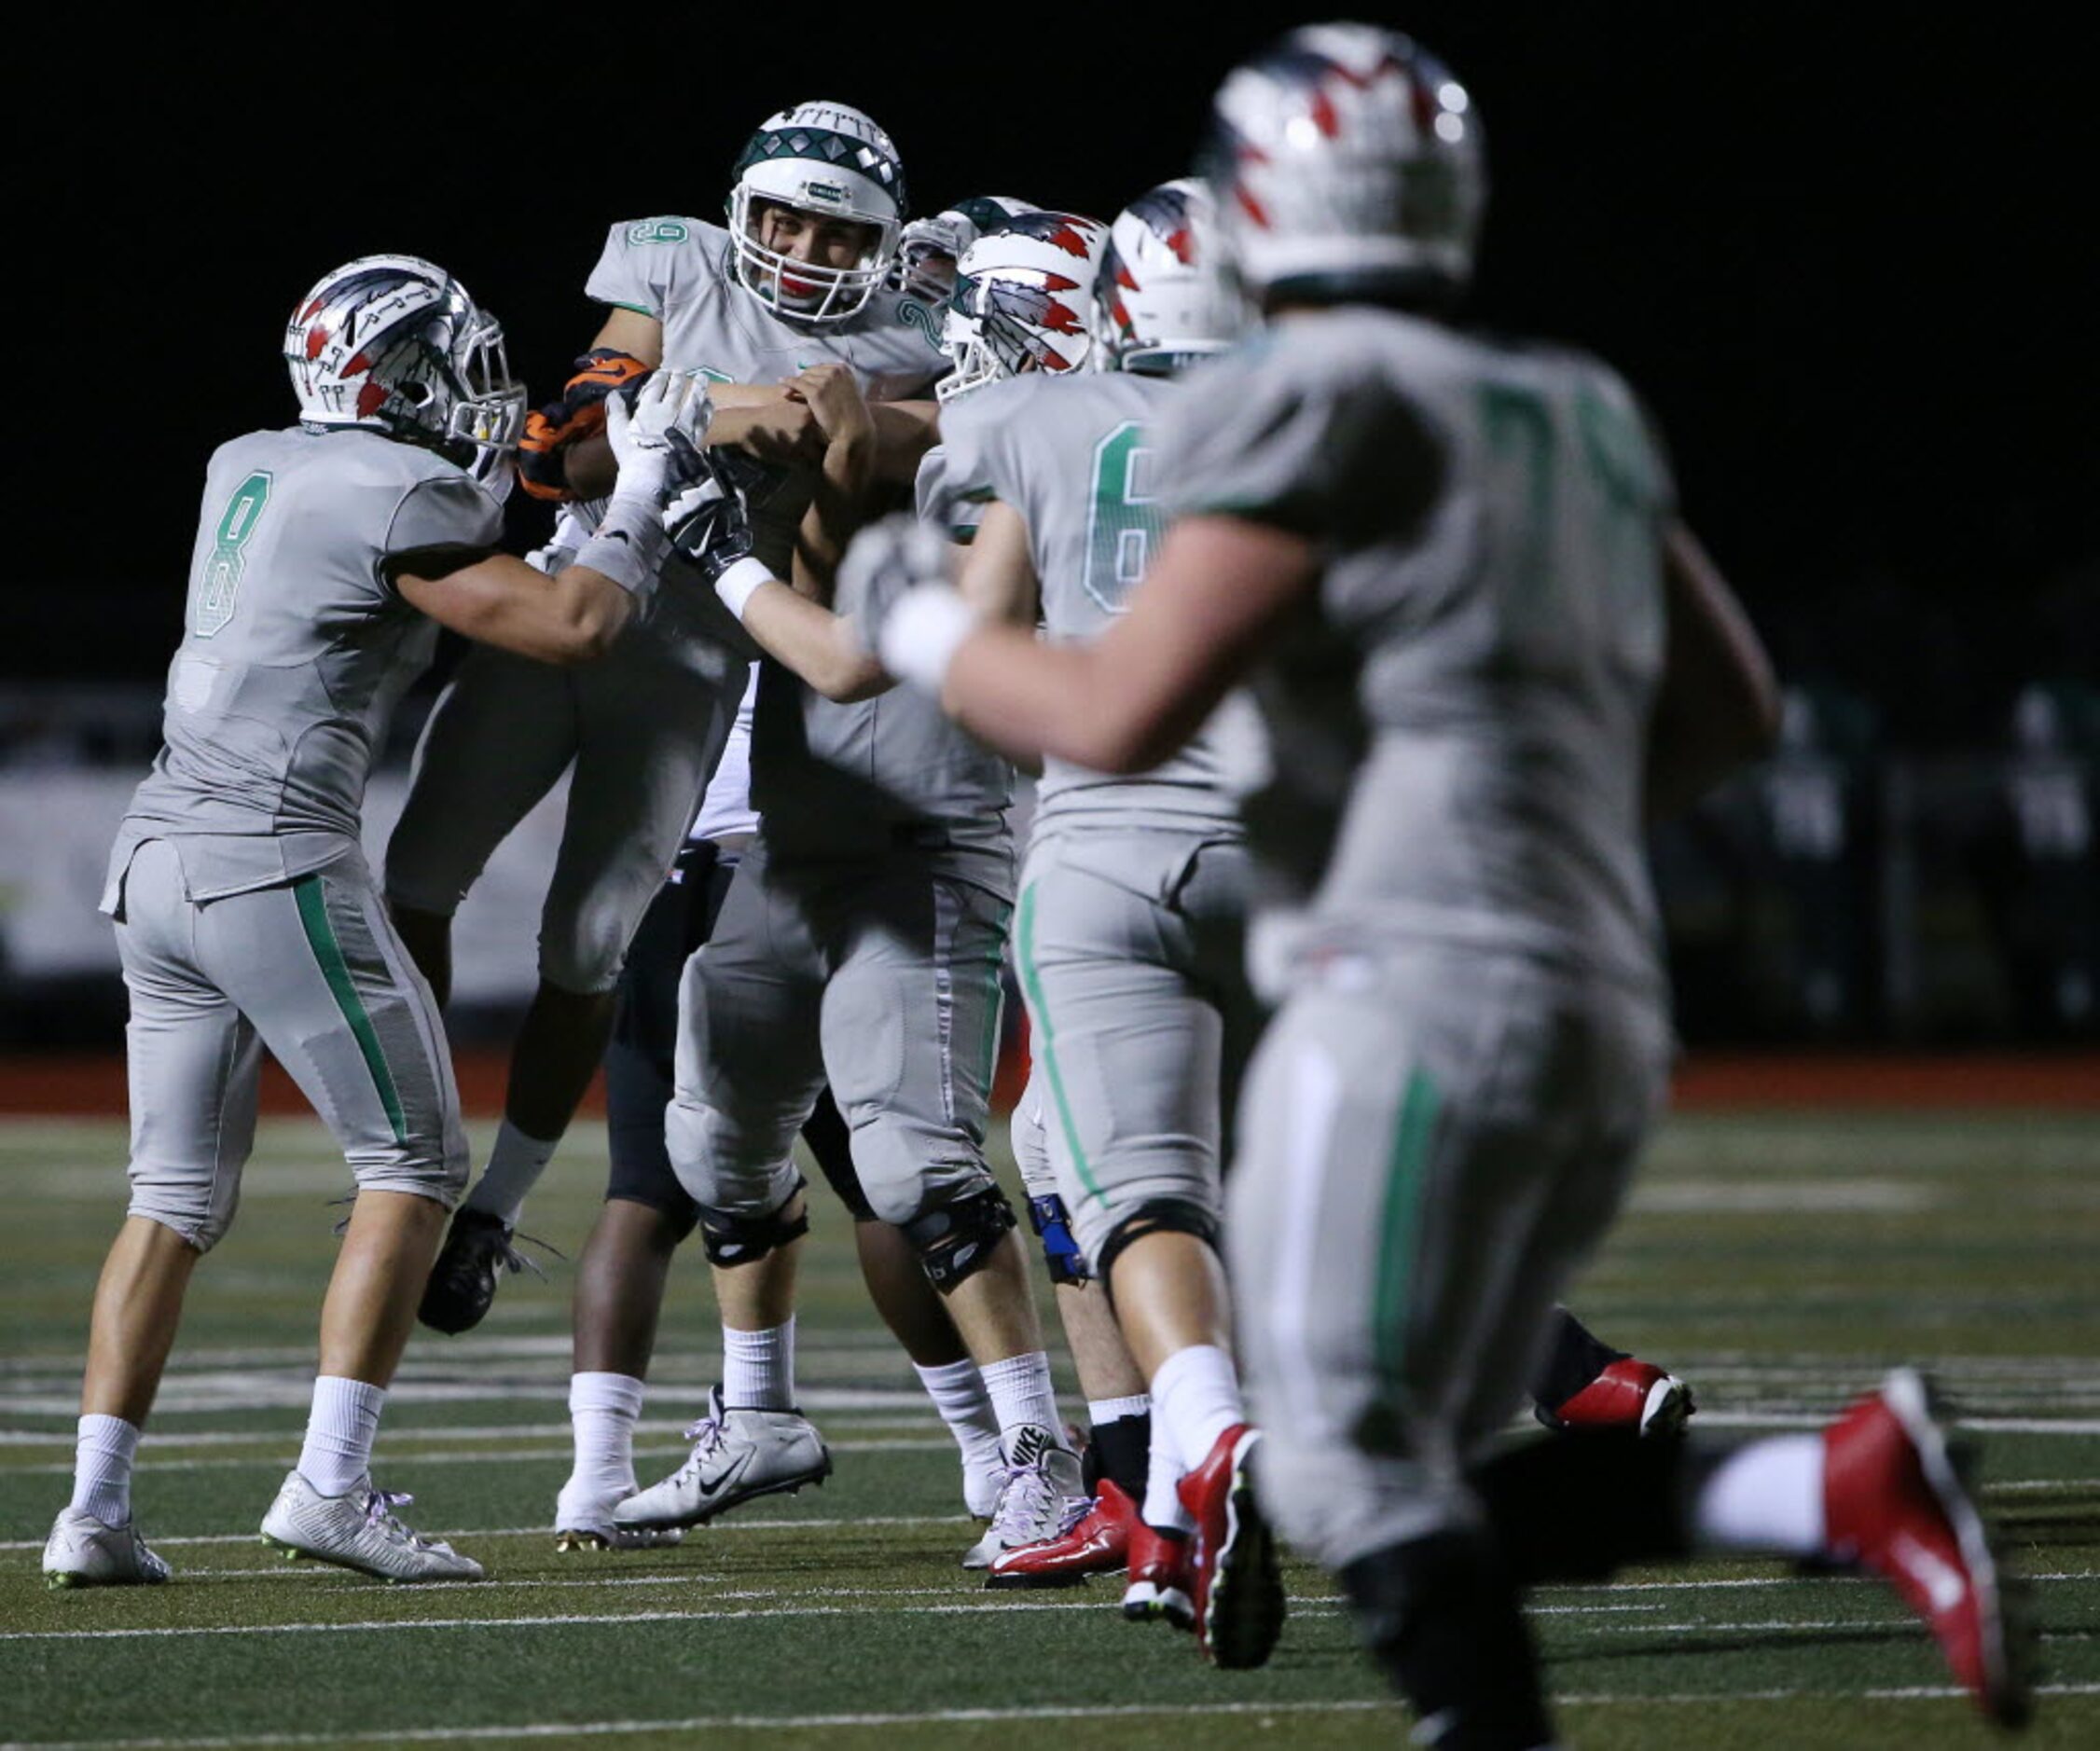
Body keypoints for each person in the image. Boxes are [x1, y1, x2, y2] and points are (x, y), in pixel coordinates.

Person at [861, 24, 2032, 1736]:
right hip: (1598, 997)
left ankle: (1837, 1490)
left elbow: (1116, 709)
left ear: (1260, 206)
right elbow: (1734, 707)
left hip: (1400, 988)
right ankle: (1831, 1496)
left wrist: (912, 620)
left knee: (1336, 1475)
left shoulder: (1310, 405)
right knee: (1386, 1461)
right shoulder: (1576, 400)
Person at [41, 255, 709, 1587]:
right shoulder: (394, 488)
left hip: (154, 853)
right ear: (395, 375)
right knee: (412, 1165)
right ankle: (330, 1485)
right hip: (268, 857)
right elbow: (571, 625)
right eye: (449, 364)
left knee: (168, 1199)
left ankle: (93, 1511)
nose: (470, 389)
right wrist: (638, 497)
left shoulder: (252, 460)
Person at [384, 100, 946, 1335]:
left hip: (697, 655)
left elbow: (918, 436)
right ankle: (417, 1156)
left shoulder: (919, 336)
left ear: (886, 249)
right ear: (742, 210)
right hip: (573, 597)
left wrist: (719, 405)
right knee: (415, 876)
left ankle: (491, 1211)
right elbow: (570, 452)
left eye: (839, 233)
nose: (803, 248)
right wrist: (754, 409)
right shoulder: (672, 258)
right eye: (785, 217)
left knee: (587, 948)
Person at [610, 215, 1120, 1569]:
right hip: (797, 831)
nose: (957, 343)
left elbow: (841, 633)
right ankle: (759, 1416)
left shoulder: (1018, 461)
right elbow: (842, 435)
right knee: (712, 1135)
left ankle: (1043, 1458)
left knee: (909, 1154)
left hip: (925, 845)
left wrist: (703, 511)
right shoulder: (972, 431)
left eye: (986, 320)